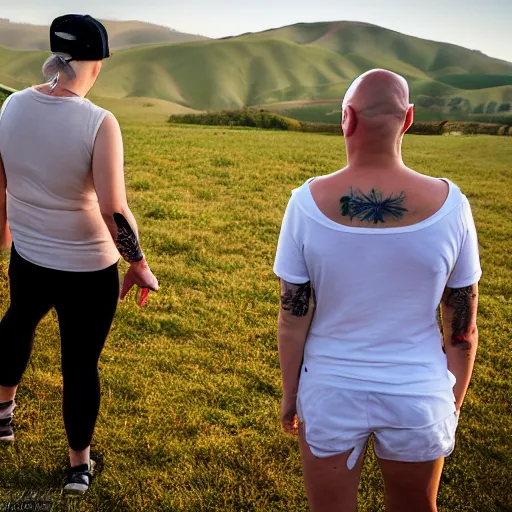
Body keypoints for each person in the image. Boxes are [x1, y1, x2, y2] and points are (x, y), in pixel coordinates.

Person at [274, 69, 481, 512]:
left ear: (346, 118)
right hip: (418, 395)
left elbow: (293, 317)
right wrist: (451, 403)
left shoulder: (306, 204)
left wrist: (291, 395)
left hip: (329, 392)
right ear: (408, 119)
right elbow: (462, 328)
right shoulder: (452, 205)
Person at [0, 15, 158, 495]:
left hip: (28, 256)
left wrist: (4, 233)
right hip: (88, 271)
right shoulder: (99, 123)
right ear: (97, 63)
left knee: (18, 322)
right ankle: (78, 468)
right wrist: (138, 264)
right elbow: (115, 211)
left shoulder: (11, 108)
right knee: (79, 365)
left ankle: (3, 415)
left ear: (55, 57)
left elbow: (1, 183)